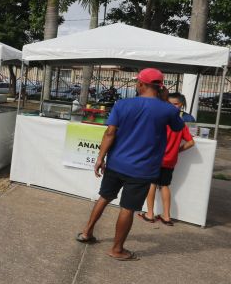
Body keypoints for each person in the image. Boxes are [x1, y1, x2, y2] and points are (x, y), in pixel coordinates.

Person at [78, 68, 185, 261]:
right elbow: (178, 127)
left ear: (142, 84)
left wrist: (100, 158)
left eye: (137, 82)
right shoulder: (168, 109)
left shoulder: (122, 104)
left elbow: (109, 133)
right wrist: (166, 100)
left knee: (104, 197)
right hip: (142, 169)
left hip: (117, 163)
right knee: (127, 208)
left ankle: (86, 232)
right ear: (160, 87)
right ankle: (117, 249)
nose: (136, 85)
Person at [138, 89, 196, 226]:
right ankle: (166, 216)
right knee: (164, 185)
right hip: (170, 160)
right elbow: (191, 142)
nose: (171, 106)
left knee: (152, 184)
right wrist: (177, 151)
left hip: (155, 158)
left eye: (174, 104)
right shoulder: (181, 123)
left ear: (181, 105)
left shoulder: (161, 120)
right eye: (168, 103)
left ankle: (150, 214)